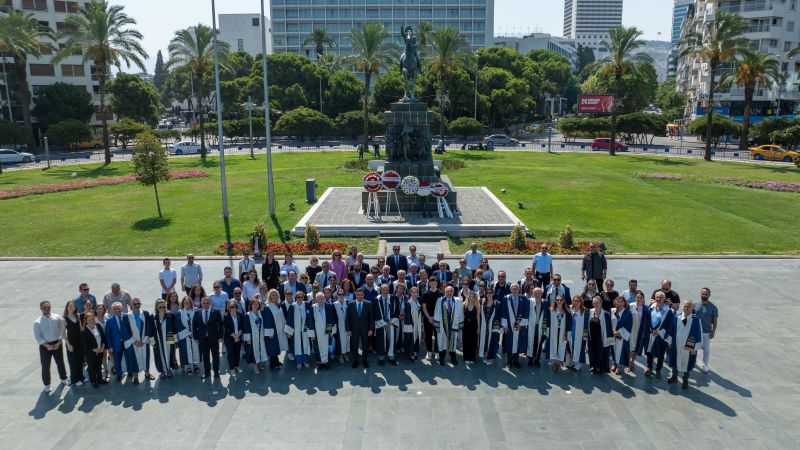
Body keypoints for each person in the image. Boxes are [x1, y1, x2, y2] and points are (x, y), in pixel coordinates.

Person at [34, 301, 68, 391]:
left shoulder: (57, 317)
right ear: (41, 309)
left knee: (60, 362)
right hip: (45, 346)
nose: (47, 309)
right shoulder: (37, 322)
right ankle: (47, 384)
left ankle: (63, 378)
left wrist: (59, 341)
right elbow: (38, 336)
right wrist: (47, 345)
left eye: (48, 307)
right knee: (45, 365)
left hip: (57, 343)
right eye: (44, 308)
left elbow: (62, 329)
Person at [668, 300, 702, 389]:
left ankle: (685, 379)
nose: (686, 308)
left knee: (687, 363)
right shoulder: (677, 318)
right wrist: (670, 342)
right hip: (677, 344)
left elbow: (698, 334)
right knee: (675, 360)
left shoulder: (695, 320)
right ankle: (674, 376)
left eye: (688, 306)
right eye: (685, 306)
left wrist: (695, 348)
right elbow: (671, 331)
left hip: (689, 346)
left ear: (692, 308)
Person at [121, 298, 154, 384]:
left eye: (138, 304)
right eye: (134, 304)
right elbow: (125, 330)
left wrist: (145, 339)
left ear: (140, 304)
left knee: (146, 357)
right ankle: (135, 377)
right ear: (131, 305)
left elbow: (148, 327)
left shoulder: (145, 314)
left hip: (144, 340)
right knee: (134, 359)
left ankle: (147, 374)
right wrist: (134, 341)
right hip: (133, 342)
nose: (136, 305)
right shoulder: (126, 316)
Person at [644, 291, 674, 379]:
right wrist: (649, 329)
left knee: (660, 353)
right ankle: (649, 367)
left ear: (664, 299)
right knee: (649, 352)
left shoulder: (668, 311)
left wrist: (660, 332)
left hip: (660, 336)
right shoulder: (651, 308)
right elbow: (647, 319)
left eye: (661, 297)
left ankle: (658, 370)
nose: (658, 299)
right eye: (657, 297)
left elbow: (670, 325)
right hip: (650, 333)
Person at [192, 297, 223, 380]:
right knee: (205, 357)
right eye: (204, 303)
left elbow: (220, 325)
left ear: (210, 303)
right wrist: (195, 337)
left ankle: (216, 372)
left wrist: (220, 337)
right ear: (201, 304)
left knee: (215, 356)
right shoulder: (197, 312)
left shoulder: (216, 312)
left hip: (214, 338)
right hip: (202, 339)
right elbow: (194, 326)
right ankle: (207, 372)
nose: (206, 305)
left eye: (207, 303)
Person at [501, 283, 529, 369]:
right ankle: (509, 360)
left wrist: (521, 324)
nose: (514, 290)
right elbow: (503, 312)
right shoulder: (506, 298)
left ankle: (516, 360)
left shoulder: (523, 298)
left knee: (518, 342)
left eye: (516, 289)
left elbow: (526, 312)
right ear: (510, 290)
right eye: (513, 289)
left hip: (520, 326)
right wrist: (505, 326)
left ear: (519, 290)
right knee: (509, 343)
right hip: (509, 325)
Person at [434, 286, 464, 365]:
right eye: (447, 291)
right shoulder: (440, 300)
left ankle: (453, 358)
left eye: (451, 291)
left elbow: (460, 313)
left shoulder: (458, 300)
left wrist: (460, 325)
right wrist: (437, 326)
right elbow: (436, 312)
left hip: (453, 325)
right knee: (441, 342)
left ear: (453, 292)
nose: (449, 293)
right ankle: (442, 359)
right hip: (442, 325)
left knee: (453, 343)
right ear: (445, 292)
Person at [373, 284, 400, 366]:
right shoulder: (377, 299)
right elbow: (376, 313)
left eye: (387, 289)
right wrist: (384, 323)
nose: (385, 291)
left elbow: (397, 311)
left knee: (391, 340)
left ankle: (391, 357)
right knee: (381, 340)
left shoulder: (394, 298)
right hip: (381, 324)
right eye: (383, 289)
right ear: (380, 290)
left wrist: (391, 322)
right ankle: (381, 358)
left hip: (391, 323)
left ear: (389, 290)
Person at [346, 289, 374, 368]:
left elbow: (371, 318)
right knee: (354, 346)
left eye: (361, 295)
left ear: (363, 295)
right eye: (358, 295)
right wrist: (348, 329)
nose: (360, 296)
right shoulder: (350, 304)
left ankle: (364, 360)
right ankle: (355, 360)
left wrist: (371, 329)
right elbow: (347, 318)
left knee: (365, 346)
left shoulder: (368, 304)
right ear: (355, 295)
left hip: (365, 329)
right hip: (354, 329)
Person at [309, 292, 336, 370]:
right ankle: (319, 362)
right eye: (318, 299)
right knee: (317, 347)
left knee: (326, 346)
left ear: (324, 299)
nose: (320, 300)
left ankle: (326, 362)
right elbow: (311, 320)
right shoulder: (313, 307)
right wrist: (312, 334)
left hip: (326, 330)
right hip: (316, 331)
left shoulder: (328, 307)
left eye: (321, 298)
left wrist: (330, 332)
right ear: (316, 299)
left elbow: (331, 319)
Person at [587, 297, 614, 374]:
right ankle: (593, 366)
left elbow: (609, 327)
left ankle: (600, 367)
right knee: (592, 352)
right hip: (592, 336)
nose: (595, 305)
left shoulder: (606, 314)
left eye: (597, 303)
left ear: (601, 303)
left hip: (601, 336)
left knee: (601, 352)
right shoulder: (590, 312)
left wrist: (609, 340)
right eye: (594, 303)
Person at [693, 287, 718, 373]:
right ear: (700, 294)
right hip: (695, 331)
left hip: (706, 332)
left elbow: (715, 320)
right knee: (693, 347)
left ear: (709, 295)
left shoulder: (713, 307)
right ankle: (693, 362)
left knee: (706, 349)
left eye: (706, 294)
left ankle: (705, 365)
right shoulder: (695, 305)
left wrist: (713, 331)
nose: (704, 295)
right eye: (703, 293)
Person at [286, 291, 313, 369]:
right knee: (297, 345)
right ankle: (298, 362)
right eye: (298, 297)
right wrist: (289, 332)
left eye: (302, 297)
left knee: (305, 344)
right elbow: (289, 319)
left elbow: (310, 317)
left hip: (305, 329)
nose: (300, 299)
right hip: (296, 330)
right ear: (296, 298)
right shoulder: (292, 306)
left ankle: (305, 361)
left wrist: (307, 326)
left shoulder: (307, 305)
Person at [80, 312, 107, 388]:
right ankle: (93, 381)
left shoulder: (98, 326)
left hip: (100, 351)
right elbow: (85, 344)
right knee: (91, 367)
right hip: (91, 353)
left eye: (92, 319)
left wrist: (102, 348)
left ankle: (100, 379)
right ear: (86, 320)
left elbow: (103, 338)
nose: (91, 321)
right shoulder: (83, 331)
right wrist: (96, 350)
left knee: (98, 366)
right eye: (89, 320)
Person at [62, 300, 85, 386]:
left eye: (73, 306)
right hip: (71, 342)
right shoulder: (64, 319)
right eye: (70, 306)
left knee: (80, 360)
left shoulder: (77, 315)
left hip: (79, 341)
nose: (72, 308)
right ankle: (74, 380)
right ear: (67, 308)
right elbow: (63, 333)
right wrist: (68, 344)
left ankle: (81, 376)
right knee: (73, 361)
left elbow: (81, 329)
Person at [547, 295, 573, 372]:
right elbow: (548, 322)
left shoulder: (567, 312)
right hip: (553, 332)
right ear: (555, 301)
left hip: (563, 333)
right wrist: (547, 333)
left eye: (561, 300)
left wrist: (567, 335)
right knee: (554, 347)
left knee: (561, 348)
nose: (559, 301)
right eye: (557, 300)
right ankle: (555, 363)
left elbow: (569, 324)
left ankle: (558, 364)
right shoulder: (551, 310)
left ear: (563, 301)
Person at [151, 298, 175, 379]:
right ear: (157, 307)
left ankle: (168, 369)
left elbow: (173, 327)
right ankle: (162, 370)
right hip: (158, 339)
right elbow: (150, 329)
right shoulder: (153, 316)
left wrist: (174, 339)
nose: (162, 309)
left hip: (169, 338)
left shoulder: (169, 315)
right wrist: (152, 341)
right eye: (160, 307)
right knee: (159, 354)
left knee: (169, 353)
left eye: (164, 307)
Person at [262, 292, 286, 370]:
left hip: (279, 329)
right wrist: (270, 332)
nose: (274, 296)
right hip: (272, 331)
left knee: (277, 346)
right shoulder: (267, 307)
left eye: (276, 295)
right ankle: (273, 364)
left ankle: (276, 361)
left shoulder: (278, 305)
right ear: (269, 297)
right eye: (272, 295)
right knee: (273, 347)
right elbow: (267, 320)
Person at [176, 297, 200, 375]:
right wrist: (189, 333)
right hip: (184, 335)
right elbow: (178, 325)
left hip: (194, 334)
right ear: (183, 303)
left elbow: (198, 323)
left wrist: (194, 332)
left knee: (195, 349)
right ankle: (188, 366)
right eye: (185, 302)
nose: (187, 304)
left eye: (188, 302)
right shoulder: (180, 312)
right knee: (186, 350)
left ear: (191, 303)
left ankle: (195, 364)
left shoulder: (195, 311)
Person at [526, 287, 549, 367]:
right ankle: (530, 358)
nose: (537, 295)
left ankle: (537, 359)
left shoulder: (545, 302)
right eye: (535, 293)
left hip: (541, 326)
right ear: (533, 293)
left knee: (539, 343)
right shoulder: (529, 301)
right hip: (531, 326)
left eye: (539, 293)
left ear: (541, 294)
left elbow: (548, 314)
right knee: (531, 342)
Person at [628, 290, 649, 373]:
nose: (639, 299)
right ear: (635, 297)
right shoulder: (630, 306)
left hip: (639, 331)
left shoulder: (645, 308)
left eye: (641, 297)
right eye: (637, 297)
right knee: (628, 346)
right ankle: (626, 361)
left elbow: (647, 321)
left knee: (636, 348)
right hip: (630, 330)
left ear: (643, 298)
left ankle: (632, 362)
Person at [478, 290, 501, 366]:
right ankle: (485, 356)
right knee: (484, 342)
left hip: (493, 326)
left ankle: (490, 357)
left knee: (492, 342)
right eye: (487, 292)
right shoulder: (482, 301)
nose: (489, 294)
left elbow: (499, 316)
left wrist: (497, 327)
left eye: (490, 292)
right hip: (484, 325)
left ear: (493, 293)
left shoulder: (497, 303)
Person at [611, 296, 633, 375]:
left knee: (620, 351)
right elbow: (610, 322)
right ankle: (614, 363)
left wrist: (619, 333)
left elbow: (629, 325)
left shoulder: (628, 313)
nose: (620, 303)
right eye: (618, 301)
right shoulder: (613, 311)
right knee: (613, 349)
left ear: (625, 303)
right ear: (615, 302)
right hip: (613, 334)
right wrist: (612, 331)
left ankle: (619, 366)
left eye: (622, 301)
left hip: (621, 336)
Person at [105, 302, 126, 381]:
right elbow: (108, 335)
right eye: (115, 308)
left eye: (119, 308)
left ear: (122, 308)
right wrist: (110, 346)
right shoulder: (109, 321)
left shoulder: (126, 317)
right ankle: (119, 374)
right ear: (113, 310)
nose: (117, 310)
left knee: (129, 358)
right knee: (117, 360)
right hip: (116, 344)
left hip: (126, 343)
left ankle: (131, 372)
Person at [567, 295, 589, 371]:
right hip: (571, 332)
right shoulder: (570, 309)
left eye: (578, 301)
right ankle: (572, 362)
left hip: (580, 333)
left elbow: (586, 325)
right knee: (571, 347)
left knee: (579, 348)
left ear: (581, 302)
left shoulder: (584, 311)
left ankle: (578, 364)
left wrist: (585, 336)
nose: (576, 302)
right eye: (575, 301)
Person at [402, 286, 423, 362]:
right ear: (410, 293)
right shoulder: (408, 302)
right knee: (411, 339)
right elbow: (407, 316)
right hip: (411, 324)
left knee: (417, 338)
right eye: (413, 292)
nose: (414, 294)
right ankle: (411, 354)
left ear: (418, 293)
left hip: (417, 323)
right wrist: (410, 326)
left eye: (416, 292)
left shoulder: (419, 300)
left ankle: (415, 352)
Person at [223, 300, 244, 375]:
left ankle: (237, 366)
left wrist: (238, 335)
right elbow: (227, 328)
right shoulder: (226, 316)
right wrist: (235, 336)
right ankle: (232, 368)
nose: (234, 308)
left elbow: (241, 325)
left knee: (237, 352)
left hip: (238, 336)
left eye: (235, 306)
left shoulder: (239, 314)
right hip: (229, 337)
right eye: (232, 307)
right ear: (229, 308)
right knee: (230, 353)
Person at [421, 279, 440, 360]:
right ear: (429, 284)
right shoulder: (425, 294)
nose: (433, 285)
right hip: (428, 319)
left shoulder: (440, 293)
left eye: (434, 284)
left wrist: (435, 317)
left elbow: (440, 308)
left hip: (437, 319)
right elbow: (424, 307)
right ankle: (429, 351)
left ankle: (436, 352)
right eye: (431, 284)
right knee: (428, 336)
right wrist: (429, 317)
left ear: (437, 284)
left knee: (437, 336)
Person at [461, 291, 481, 365]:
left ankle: (472, 358)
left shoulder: (477, 306)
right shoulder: (464, 304)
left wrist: (478, 328)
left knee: (473, 342)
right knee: (466, 341)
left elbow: (478, 317)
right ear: (468, 297)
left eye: (473, 297)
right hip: (465, 326)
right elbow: (462, 316)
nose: (471, 298)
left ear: (475, 298)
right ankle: (466, 357)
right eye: (470, 297)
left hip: (474, 325)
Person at [94, 303, 112, 377]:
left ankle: (112, 368)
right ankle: (106, 370)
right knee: (103, 355)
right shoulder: (94, 318)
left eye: (101, 309)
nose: (100, 310)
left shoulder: (107, 317)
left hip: (108, 338)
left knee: (110, 354)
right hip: (100, 340)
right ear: (96, 310)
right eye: (98, 309)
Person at [333, 291, 350, 363]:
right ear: (337, 295)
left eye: (342, 294)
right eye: (339, 294)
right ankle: (340, 355)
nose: (341, 296)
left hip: (347, 325)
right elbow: (333, 316)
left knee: (346, 340)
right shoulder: (334, 304)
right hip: (339, 325)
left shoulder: (347, 302)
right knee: (340, 341)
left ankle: (345, 354)